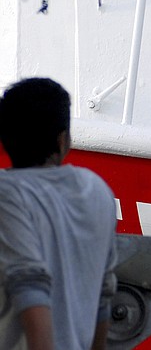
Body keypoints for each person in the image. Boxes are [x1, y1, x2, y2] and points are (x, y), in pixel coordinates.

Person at [0, 78, 117, 350]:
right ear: (63, 139)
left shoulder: (7, 194)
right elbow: (104, 294)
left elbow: (29, 286)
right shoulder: (97, 189)